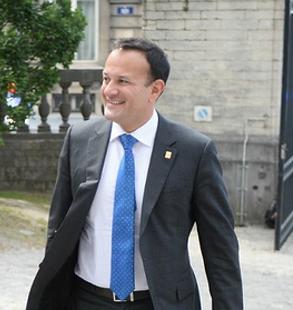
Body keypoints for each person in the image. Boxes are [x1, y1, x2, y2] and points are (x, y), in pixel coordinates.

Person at [26, 38, 243, 310]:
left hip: (159, 303)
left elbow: (220, 250)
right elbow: (58, 226)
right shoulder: (80, 139)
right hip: (85, 301)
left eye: (123, 81)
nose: (109, 90)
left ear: (155, 89)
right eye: (106, 78)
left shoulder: (194, 151)